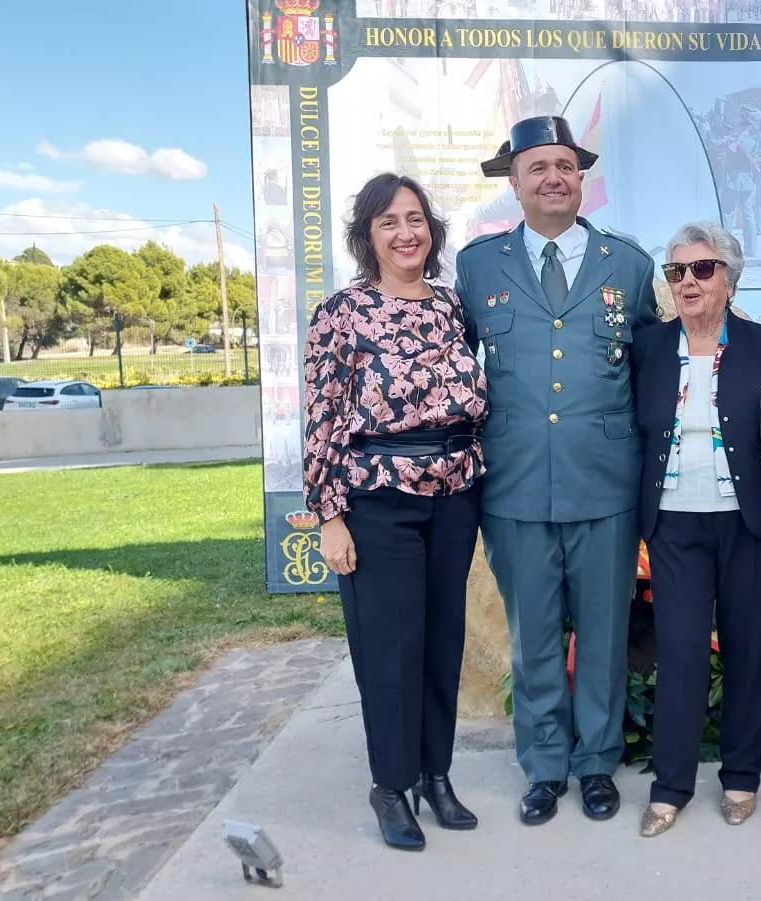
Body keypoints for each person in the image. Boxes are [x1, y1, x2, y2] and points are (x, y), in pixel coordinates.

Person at [453, 115, 660, 826]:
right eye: (537, 167)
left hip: (605, 482)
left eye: (565, 166)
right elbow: (457, 369)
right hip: (513, 483)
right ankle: (544, 766)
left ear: (582, 180)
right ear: (514, 183)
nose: (553, 178)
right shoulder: (478, 267)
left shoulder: (628, 265)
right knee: (533, 636)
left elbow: (651, 372)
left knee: (603, 634)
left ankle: (596, 763)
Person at [302, 173, 488, 852]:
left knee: (441, 644)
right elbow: (322, 416)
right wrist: (329, 515)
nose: (406, 233)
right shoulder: (342, 312)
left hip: (454, 496)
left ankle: (435, 774)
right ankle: (391, 784)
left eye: (415, 219)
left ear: (431, 229)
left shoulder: (451, 306)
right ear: (367, 236)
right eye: (389, 222)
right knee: (390, 649)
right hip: (378, 499)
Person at [629, 223, 761, 837]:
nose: (688, 282)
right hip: (674, 523)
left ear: (729, 278)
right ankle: (670, 787)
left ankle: (742, 777)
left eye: (702, 269)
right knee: (680, 654)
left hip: (750, 522)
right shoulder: (648, 348)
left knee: (749, 650)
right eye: (677, 271)